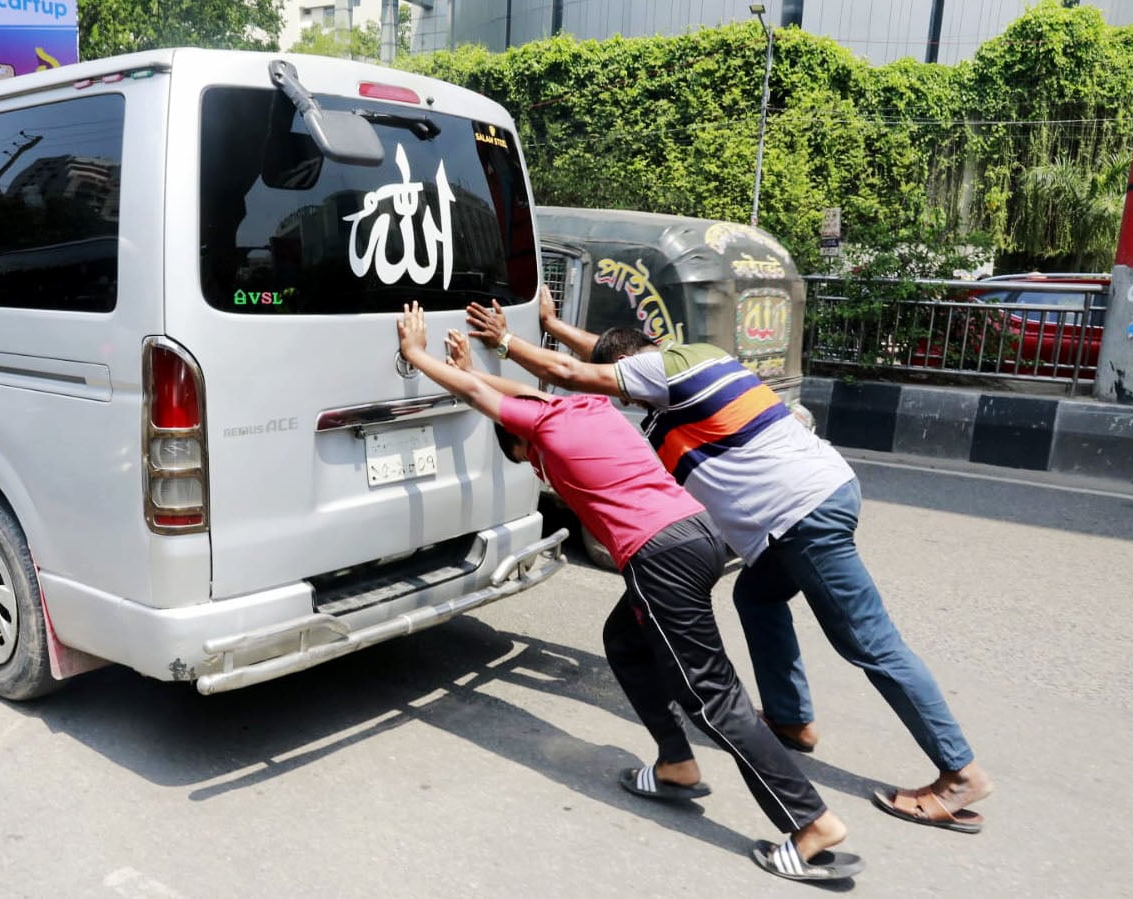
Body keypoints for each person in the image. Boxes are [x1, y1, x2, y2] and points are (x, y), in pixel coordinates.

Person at [464, 287, 992, 834]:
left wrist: (506, 341)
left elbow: (580, 374)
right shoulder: (688, 360)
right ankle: (790, 719)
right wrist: (555, 323)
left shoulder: (660, 373)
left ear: (636, 365)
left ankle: (959, 774)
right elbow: (609, 352)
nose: (631, 403)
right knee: (757, 596)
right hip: (802, 508)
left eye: (626, 389)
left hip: (802, 513)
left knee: (869, 642)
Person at [395, 302, 863, 882]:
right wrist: (477, 366)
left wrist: (417, 356)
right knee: (623, 639)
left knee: (711, 696)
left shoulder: (538, 429)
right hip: (699, 533)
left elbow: (482, 398)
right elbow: (512, 395)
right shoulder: (585, 406)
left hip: (659, 554)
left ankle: (810, 823)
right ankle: (675, 764)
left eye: (520, 457)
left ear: (518, 442)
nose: (531, 465)